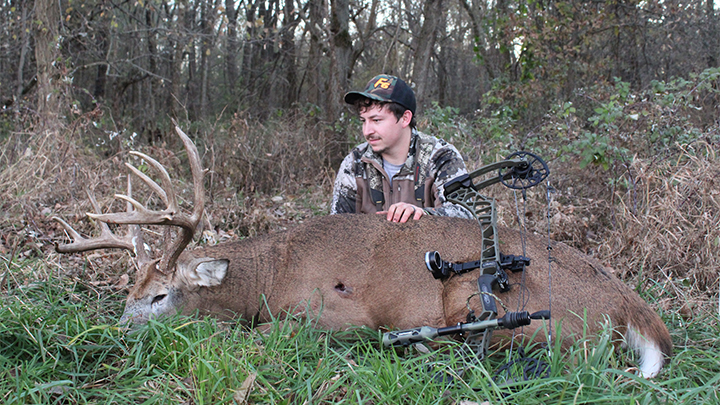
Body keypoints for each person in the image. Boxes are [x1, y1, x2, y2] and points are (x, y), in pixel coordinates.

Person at [330, 74, 473, 223]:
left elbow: (466, 216)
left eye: (376, 120)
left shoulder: (441, 157)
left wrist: (423, 214)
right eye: (363, 121)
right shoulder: (355, 163)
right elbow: (338, 226)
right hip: (370, 246)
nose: (367, 131)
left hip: (430, 244)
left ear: (405, 118)